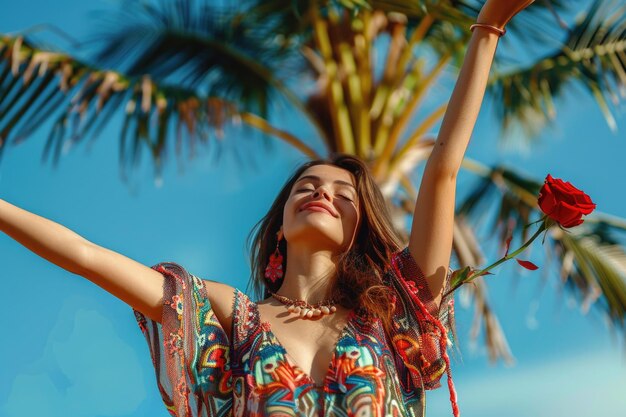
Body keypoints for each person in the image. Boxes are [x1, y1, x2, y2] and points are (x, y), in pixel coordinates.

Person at [0, 0, 535, 416]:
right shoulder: (233, 316)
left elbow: (442, 170)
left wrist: (489, 24)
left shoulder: (391, 318)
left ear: (357, 232)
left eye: (344, 195)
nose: (323, 193)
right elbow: (84, 255)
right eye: (307, 186)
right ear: (280, 222)